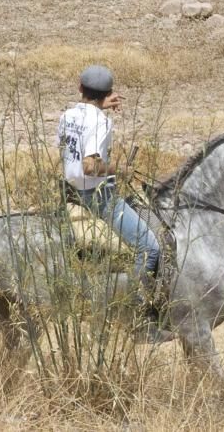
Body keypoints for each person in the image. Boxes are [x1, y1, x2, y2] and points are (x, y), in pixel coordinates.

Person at [57, 65, 161, 305]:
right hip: (97, 197)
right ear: (108, 93)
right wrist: (120, 169)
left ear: (80, 88)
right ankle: (134, 307)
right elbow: (90, 166)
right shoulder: (100, 122)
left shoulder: (67, 116)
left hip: (69, 192)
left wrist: (99, 106)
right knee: (149, 248)